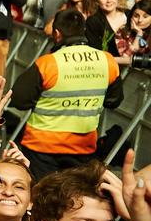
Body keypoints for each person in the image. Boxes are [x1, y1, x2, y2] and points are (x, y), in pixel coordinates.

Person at [12, 10, 122, 179]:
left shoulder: (48, 63)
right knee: (75, 199)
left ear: (57, 34)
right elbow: (114, 100)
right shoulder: (107, 61)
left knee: (41, 197)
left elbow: (19, 99)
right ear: (83, 30)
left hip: (42, 147)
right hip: (83, 147)